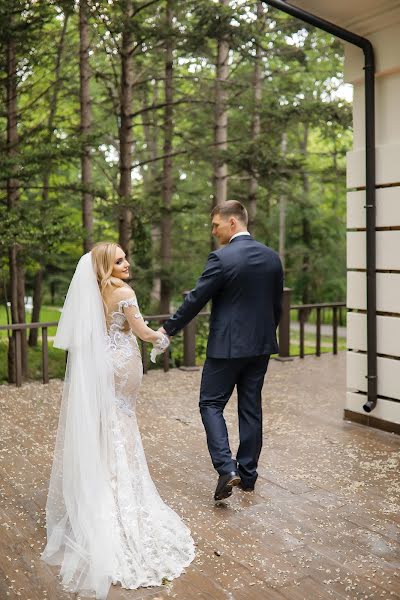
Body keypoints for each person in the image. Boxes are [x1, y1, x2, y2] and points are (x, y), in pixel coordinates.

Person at [42, 243, 195, 600]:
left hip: (104, 367)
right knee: (123, 422)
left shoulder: (96, 292)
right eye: (119, 260)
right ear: (106, 266)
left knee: (111, 423)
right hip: (123, 365)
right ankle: (120, 492)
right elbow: (141, 331)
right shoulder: (124, 292)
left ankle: (104, 484)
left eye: (125, 258)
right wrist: (162, 339)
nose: (127, 264)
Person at [161, 201, 283, 502]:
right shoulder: (272, 258)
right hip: (261, 347)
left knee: (210, 404)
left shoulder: (222, 258)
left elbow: (196, 299)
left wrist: (168, 329)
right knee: (251, 408)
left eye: (216, 225)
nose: (213, 231)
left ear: (232, 222)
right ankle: (249, 476)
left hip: (226, 348)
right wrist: (266, 336)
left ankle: (227, 469)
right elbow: (276, 305)